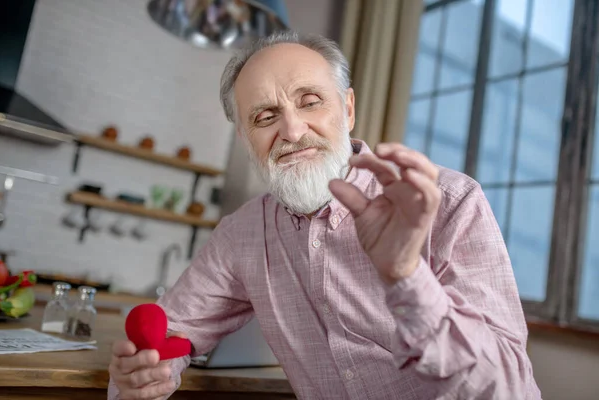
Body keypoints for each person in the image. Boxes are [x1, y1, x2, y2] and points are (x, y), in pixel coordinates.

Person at [108, 31, 541, 400]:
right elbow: (171, 333)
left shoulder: (451, 201)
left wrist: (407, 276)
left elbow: (510, 388)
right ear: (245, 137)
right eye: (265, 116)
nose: (293, 131)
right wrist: (145, 374)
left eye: (310, 101)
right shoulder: (240, 235)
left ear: (347, 109)